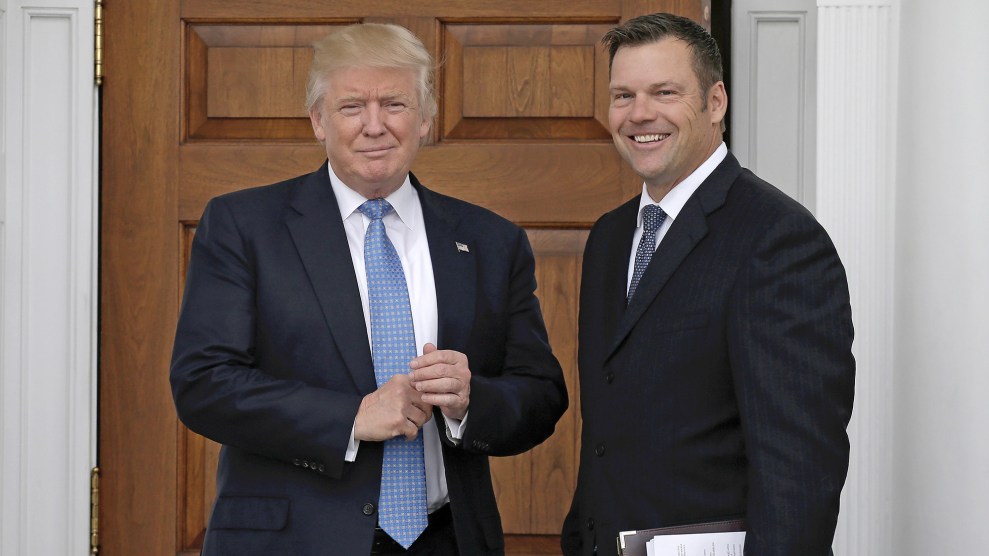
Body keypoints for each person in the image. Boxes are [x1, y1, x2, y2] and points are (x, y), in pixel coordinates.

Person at [170, 22, 567, 556]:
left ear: (424, 119)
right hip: (292, 543)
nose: (374, 125)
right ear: (319, 120)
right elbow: (203, 384)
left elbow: (541, 393)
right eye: (352, 106)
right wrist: (350, 419)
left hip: (447, 540)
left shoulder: (490, 241)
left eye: (395, 104)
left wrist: (471, 401)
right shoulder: (244, 227)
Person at [562, 13, 855, 556]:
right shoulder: (609, 237)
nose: (639, 114)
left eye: (664, 92)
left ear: (715, 102)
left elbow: (800, 471)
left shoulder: (777, 239)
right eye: (623, 96)